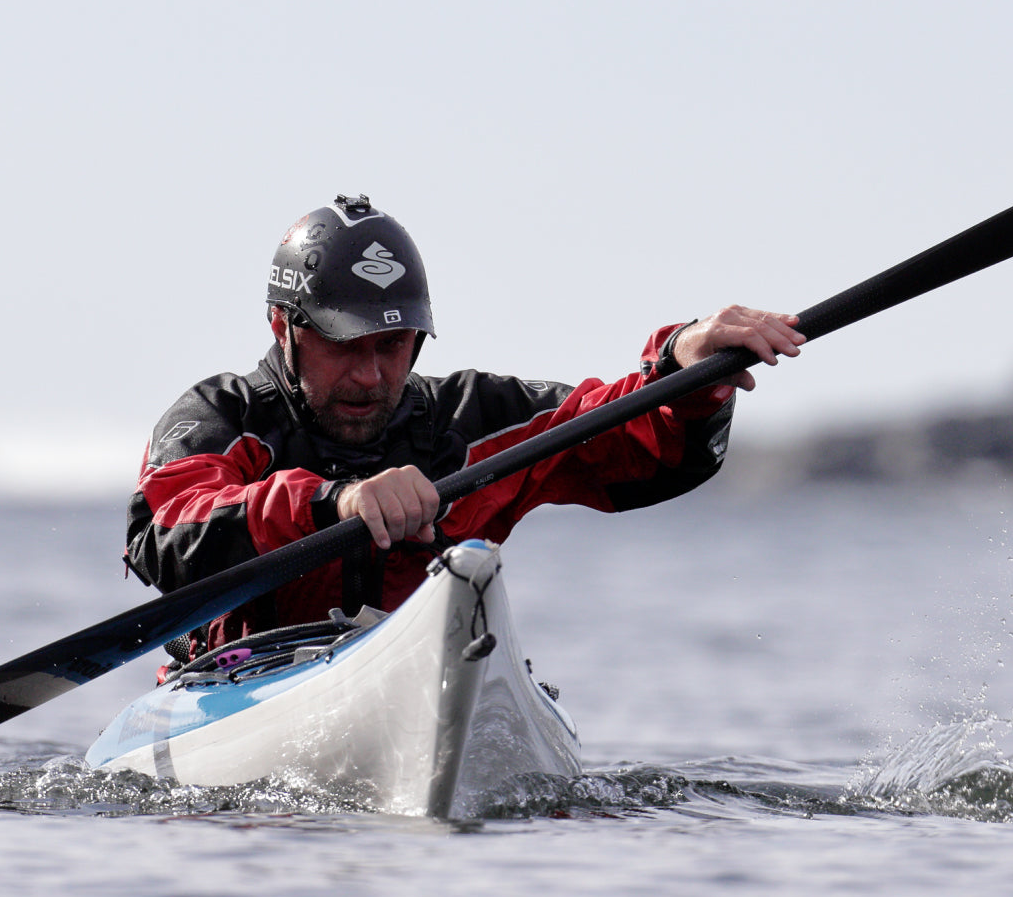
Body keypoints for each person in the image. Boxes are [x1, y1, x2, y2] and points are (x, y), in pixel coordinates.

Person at [122, 195, 804, 656]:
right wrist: (335, 502)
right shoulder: (215, 418)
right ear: (283, 326)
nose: (369, 376)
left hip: (425, 669)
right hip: (234, 678)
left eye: (390, 346)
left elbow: (638, 443)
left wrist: (686, 372)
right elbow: (171, 533)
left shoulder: (474, 420)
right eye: (344, 346)